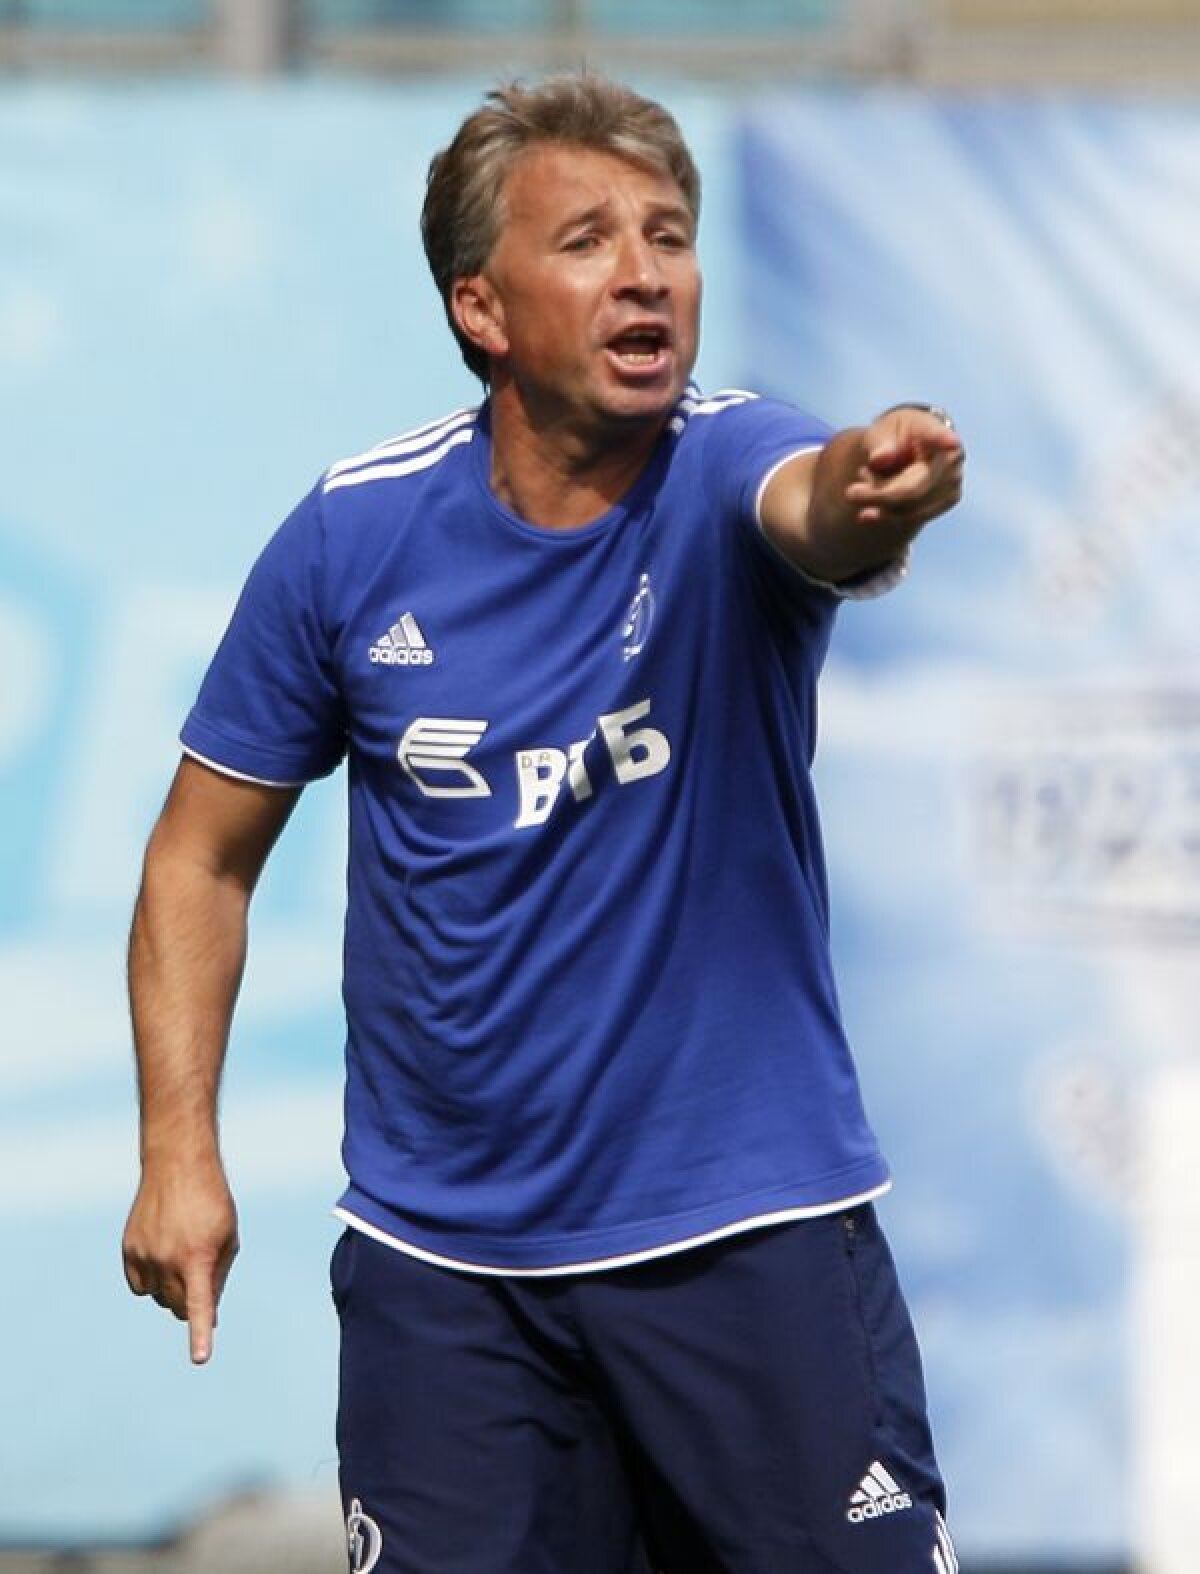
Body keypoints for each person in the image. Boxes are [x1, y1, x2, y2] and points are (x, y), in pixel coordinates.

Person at [122, 72, 964, 1574]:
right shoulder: (352, 535)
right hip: (448, 1281)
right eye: (587, 240)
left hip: (747, 1241)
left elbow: (817, 503)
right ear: (482, 308)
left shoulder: (728, 464)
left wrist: (874, 485)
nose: (645, 272)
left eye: (669, 234)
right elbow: (200, 855)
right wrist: (178, 1152)